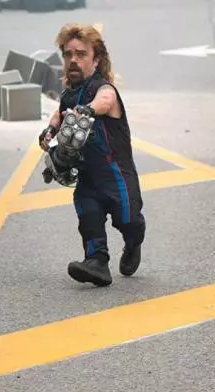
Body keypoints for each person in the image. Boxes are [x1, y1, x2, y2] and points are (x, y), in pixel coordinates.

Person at [39, 23, 146, 287]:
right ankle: (96, 262)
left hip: (116, 174)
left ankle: (133, 243)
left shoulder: (102, 88)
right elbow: (60, 113)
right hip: (88, 176)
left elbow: (105, 101)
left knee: (129, 221)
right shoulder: (69, 94)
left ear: (96, 60)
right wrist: (50, 131)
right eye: (68, 54)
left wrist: (88, 110)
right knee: (87, 214)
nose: (73, 60)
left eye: (81, 54)